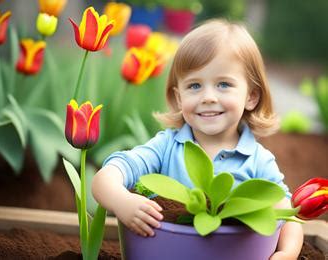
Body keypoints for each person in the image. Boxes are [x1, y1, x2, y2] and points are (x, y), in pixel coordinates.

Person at [92, 19, 303, 259]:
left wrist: (287, 252)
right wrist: (122, 202)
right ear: (179, 98)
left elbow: (286, 214)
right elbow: (106, 177)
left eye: (223, 84)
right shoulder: (166, 148)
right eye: (194, 86)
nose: (208, 97)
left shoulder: (258, 161)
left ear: (251, 97)